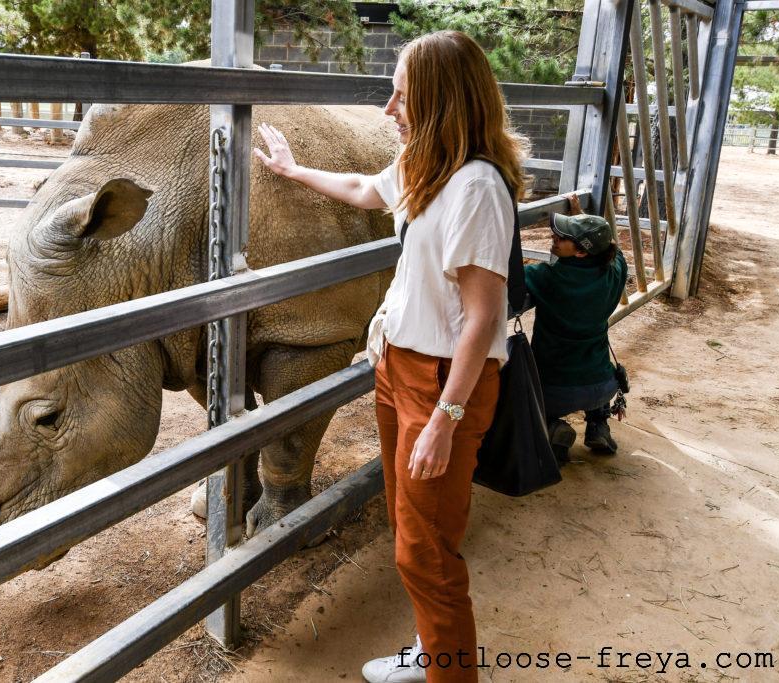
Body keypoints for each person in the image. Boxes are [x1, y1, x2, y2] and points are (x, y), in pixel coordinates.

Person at [254, 31, 527, 683]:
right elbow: (361, 188)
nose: (388, 107)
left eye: (402, 92)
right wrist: (293, 171)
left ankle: (449, 672)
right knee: (413, 526)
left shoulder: (476, 188)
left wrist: (445, 417)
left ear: (440, 98)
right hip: (398, 367)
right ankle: (433, 652)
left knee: (423, 551)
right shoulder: (424, 164)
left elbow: (483, 313)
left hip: (442, 383)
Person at [526, 213, 627, 462]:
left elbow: (511, 277)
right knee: (591, 364)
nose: (554, 238)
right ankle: (598, 425)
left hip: (556, 391)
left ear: (581, 252)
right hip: (604, 385)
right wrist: (588, 223)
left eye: (563, 237)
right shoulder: (613, 273)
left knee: (520, 400)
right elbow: (616, 252)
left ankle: (553, 428)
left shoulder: (548, 277)